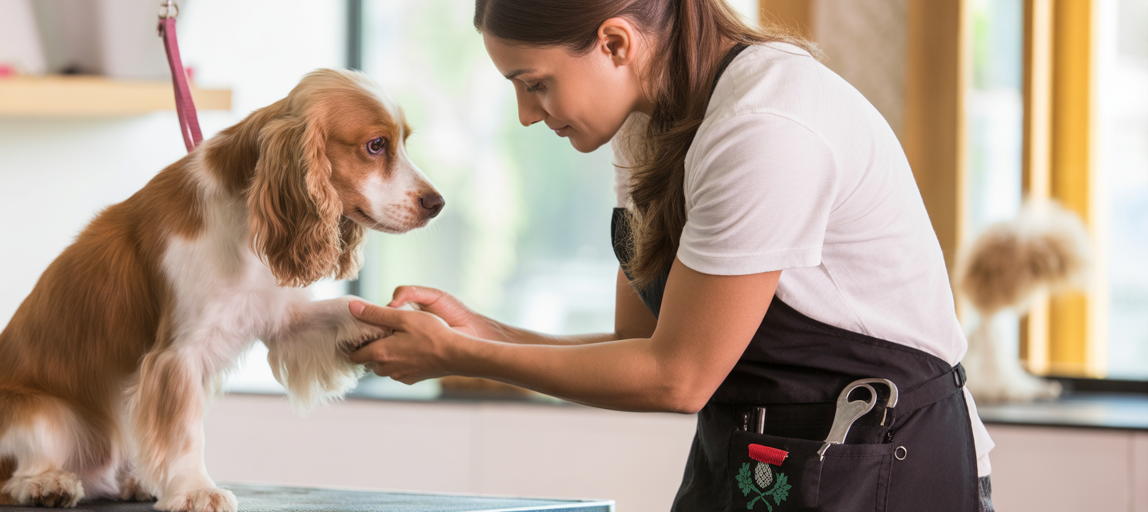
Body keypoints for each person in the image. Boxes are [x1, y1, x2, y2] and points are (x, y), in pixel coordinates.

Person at [346, 1, 995, 511]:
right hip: (759, 459)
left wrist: (459, 356)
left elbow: (678, 377)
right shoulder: (641, 132)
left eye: (534, 83)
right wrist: (483, 331)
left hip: (881, 463)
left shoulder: (763, 127)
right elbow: (642, 343)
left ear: (615, 43)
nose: (524, 114)